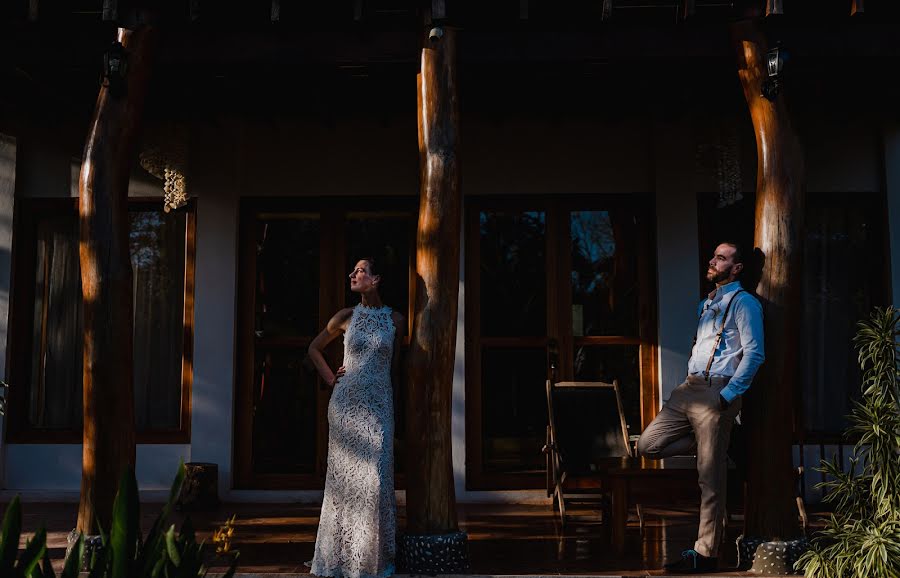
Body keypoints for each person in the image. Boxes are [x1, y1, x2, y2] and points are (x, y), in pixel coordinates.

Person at [637, 242, 764, 574]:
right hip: (688, 389)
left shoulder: (745, 303)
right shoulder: (705, 304)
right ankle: (719, 439)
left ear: (736, 269)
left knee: (709, 477)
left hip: (717, 391)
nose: (712, 261)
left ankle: (705, 553)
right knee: (647, 445)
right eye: (713, 256)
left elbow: (753, 353)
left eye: (721, 258)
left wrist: (728, 395)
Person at [307, 258, 406, 578]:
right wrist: (330, 378)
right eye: (352, 270)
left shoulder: (396, 319)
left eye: (360, 271)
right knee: (344, 483)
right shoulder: (346, 316)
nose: (352, 274)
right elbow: (314, 348)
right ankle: (339, 559)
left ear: (376, 279)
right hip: (346, 405)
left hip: (379, 405)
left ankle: (370, 559)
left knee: (375, 478)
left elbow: (396, 368)